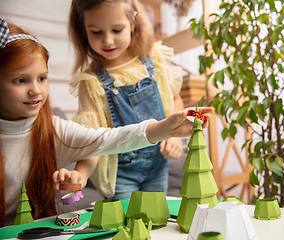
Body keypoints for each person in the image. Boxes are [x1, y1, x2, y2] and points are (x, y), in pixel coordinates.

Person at [0, 18, 213, 227]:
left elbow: (107, 138)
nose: (35, 90)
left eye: (42, 78)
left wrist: (166, 128)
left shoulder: (53, 129)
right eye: (20, 80)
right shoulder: (91, 82)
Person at [68, 0, 186, 199]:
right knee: (128, 225)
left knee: (157, 221)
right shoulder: (92, 82)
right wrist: (80, 174)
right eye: (96, 32)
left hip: (158, 167)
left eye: (116, 29)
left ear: (132, 23)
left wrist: (174, 136)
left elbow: (176, 100)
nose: (108, 41)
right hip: (120, 175)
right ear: (83, 29)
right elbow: (93, 140)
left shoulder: (154, 59)